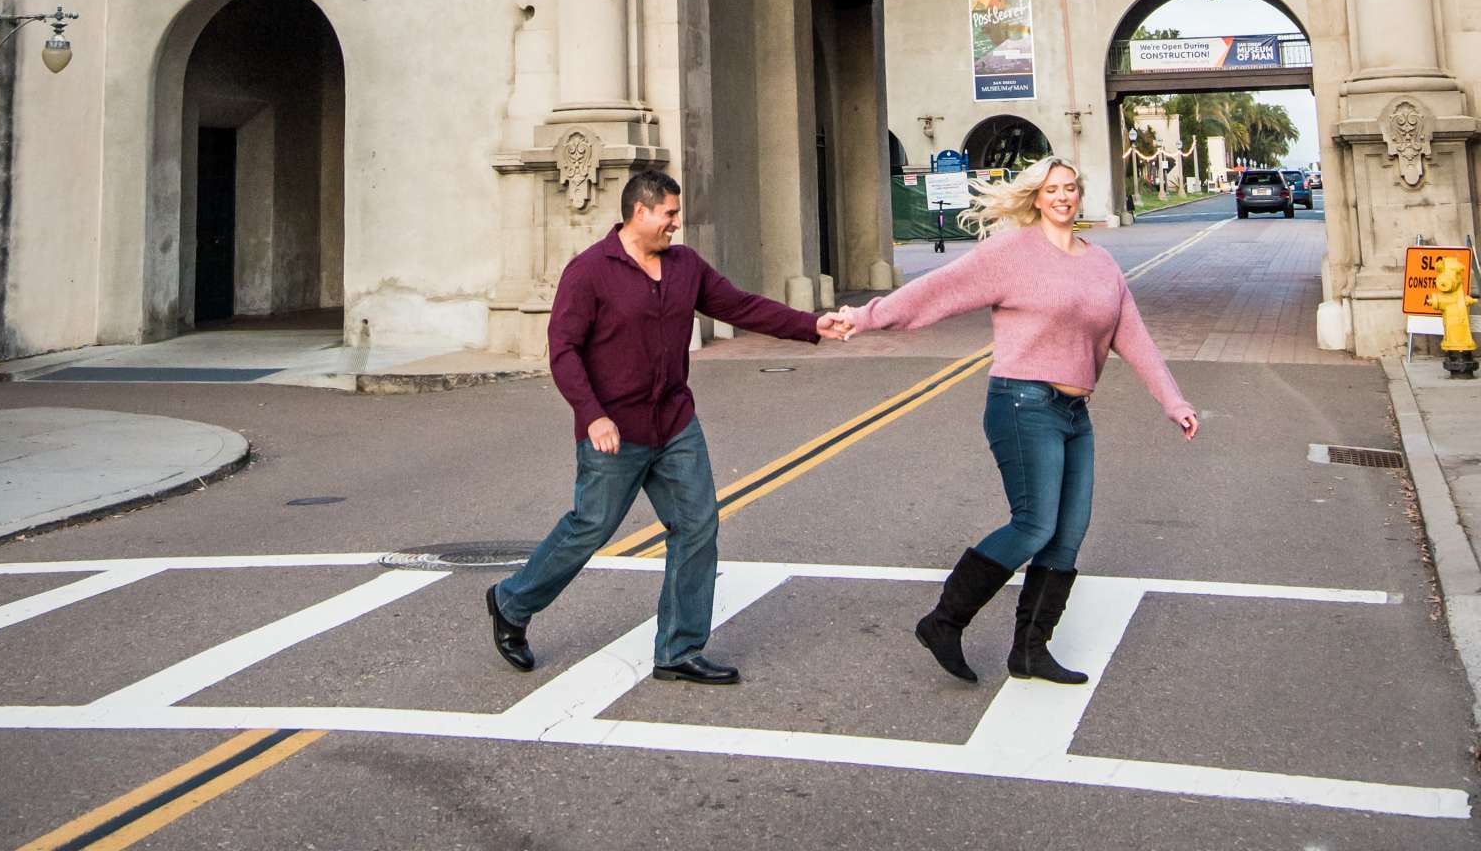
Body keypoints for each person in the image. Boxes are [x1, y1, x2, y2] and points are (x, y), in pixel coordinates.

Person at [837, 155, 1197, 688]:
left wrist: (1173, 400)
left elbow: (1132, 335)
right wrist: (865, 317)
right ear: (1035, 197)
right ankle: (944, 621)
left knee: (1067, 535)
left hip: (1075, 413)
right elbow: (938, 291)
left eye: (1071, 187)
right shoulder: (1011, 252)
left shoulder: (1100, 264)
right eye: (1052, 188)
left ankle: (1030, 650)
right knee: (1034, 524)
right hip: (1022, 403)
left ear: (1079, 195)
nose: (1062, 196)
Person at [486, 168, 850, 684]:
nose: (676, 224)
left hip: (674, 422)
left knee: (697, 525)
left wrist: (810, 324)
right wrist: (592, 414)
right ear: (641, 211)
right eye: (670, 214)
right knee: (590, 527)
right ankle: (511, 602)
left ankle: (679, 649)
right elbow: (563, 350)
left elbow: (741, 306)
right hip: (615, 427)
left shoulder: (685, 268)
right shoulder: (590, 271)